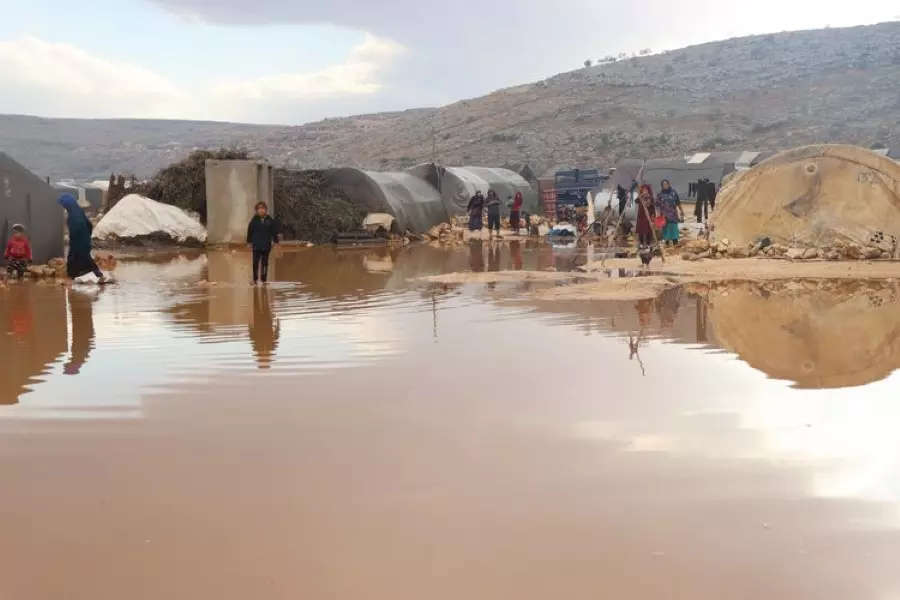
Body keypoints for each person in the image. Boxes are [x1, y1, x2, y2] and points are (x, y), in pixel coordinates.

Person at [59, 194, 110, 283]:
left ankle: (73, 280)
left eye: (64, 205)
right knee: (75, 259)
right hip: (82, 241)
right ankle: (72, 279)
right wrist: (87, 236)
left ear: (67, 204)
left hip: (78, 242)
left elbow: (76, 228)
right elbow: (89, 225)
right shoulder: (78, 211)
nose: (63, 207)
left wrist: (76, 237)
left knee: (84, 259)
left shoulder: (73, 215)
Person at [246, 201, 279, 285]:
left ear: (266, 210)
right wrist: (249, 242)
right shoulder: (254, 220)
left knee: (264, 263)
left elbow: (274, 232)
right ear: (257, 210)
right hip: (256, 245)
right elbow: (249, 231)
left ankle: (264, 280)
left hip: (266, 245)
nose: (261, 210)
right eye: (259, 209)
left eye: (263, 208)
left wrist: (276, 242)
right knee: (255, 263)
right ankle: (255, 280)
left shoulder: (269, 220)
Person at [656, 179, 684, 246]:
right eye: (663, 184)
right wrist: (658, 214)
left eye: (666, 184)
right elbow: (657, 205)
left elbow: (678, 202)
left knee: (674, 227)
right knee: (666, 228)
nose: (665, 185)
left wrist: (682, 211)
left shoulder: (674, 192)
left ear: (669, 184)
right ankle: (667, 242)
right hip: (664, 215)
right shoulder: (660, 194)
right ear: (662, 186)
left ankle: (675, 241)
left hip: (673, 214)